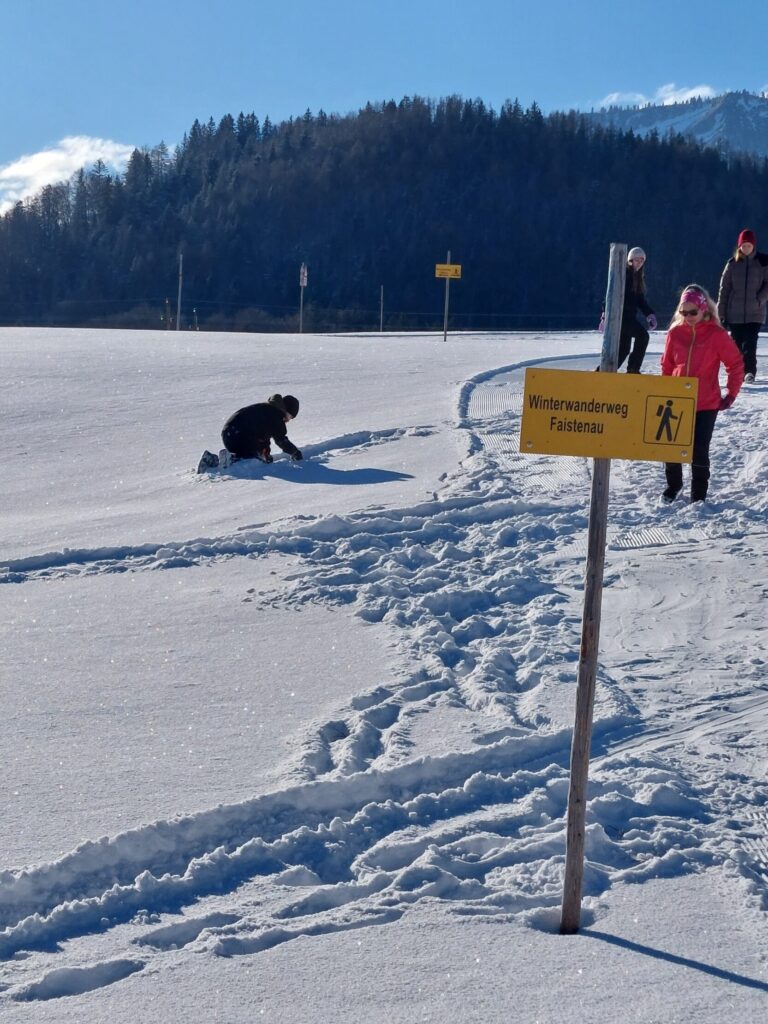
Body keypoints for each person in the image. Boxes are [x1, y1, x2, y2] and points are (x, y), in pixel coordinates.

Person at [660, 284, 743, 504]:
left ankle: (699, 495)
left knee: (699, 449)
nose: (687, 317)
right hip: (677, 400)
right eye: (683, 312)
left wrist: (731, 393)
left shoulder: (716, 334)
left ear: (703, 309)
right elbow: (667, 365)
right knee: (672, 446)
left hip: (706, 402)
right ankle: (673, 485)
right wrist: (664, 391)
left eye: (692, 312)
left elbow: (735, 364)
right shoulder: (675, 333)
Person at [197, 394, 302, 472]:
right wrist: (295, 452)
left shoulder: (266, 410)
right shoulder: (275, 415)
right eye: (289, 417)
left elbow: (263, 438)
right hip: (240, 435)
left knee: (252, 454)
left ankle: (211, 460)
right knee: (250, 459)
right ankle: (230, 459)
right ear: (285, 410)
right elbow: (281, 440)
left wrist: (266, 454)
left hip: (229, 433)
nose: (288, 420)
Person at [716, 228, 768, 384]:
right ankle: (737, 373)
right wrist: (722, 313)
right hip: (735, 313)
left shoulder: (763, 262)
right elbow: (724, 290)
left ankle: (749, 372)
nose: (746, 248)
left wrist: (760, 299)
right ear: (739, 246)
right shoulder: (732, 264)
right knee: (736, 346)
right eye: (743, 245)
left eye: (749, 245)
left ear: (753, 246)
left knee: (750, 343)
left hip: (755, 312)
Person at [599, 246, 657, 372]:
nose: (640, 263)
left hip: (628, 318)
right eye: (637, 259)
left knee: (624, 350)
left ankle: (602, 373)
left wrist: (649, 314)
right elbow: (609, 296)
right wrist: (605, 315)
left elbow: (640, 300)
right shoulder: (624, 274)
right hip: (621, 318)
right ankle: (633, 370)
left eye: (642, 260)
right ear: (630, 260)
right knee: (643, 336)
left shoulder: (637, 278)